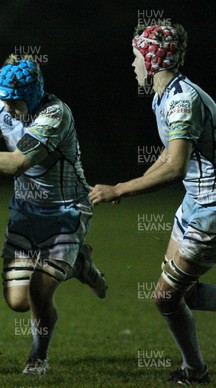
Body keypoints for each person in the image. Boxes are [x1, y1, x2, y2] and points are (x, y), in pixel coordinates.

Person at [0, 56, 106, 375]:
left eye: (13, 102)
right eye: (3, 100)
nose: (7, 108)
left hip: (65, 211)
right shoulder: (5, 103)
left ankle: (37, 357)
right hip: (26, 213)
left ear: (29, 97)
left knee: (40, 289)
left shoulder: (55, 115)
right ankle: (79, 265)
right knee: (18, 300)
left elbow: (18, 163)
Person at [90, 23, 216, 385]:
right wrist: (122, 185)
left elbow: (176, 166)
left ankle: (195, 371)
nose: (132, 65)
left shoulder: (181, 101)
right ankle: (195, 369)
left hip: (210, 208)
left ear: (151, 57)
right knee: (183, 294)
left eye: (135, 56)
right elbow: (168, 155)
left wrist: (121, 190)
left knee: (164, 297)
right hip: (196, 203)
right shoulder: (166, 95)